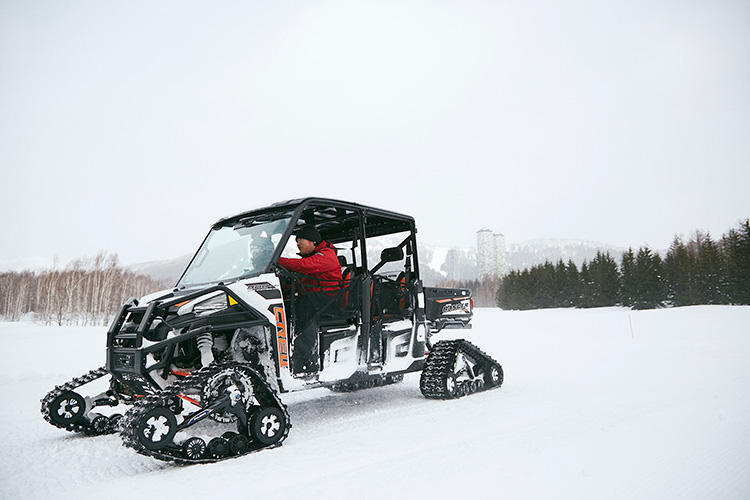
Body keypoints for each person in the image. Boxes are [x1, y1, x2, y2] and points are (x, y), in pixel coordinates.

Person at [277, 226, 342, 374]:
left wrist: (275, 260)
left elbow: (303, 266)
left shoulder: (326, 255)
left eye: (301, 241)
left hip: (330, 300)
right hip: (317, 298)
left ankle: (306, 361)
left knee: (302, 308)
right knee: (287, 306)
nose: (298, 244)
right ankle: (285, 351)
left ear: (313, 241)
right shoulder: (313, 256)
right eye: (297, 242)